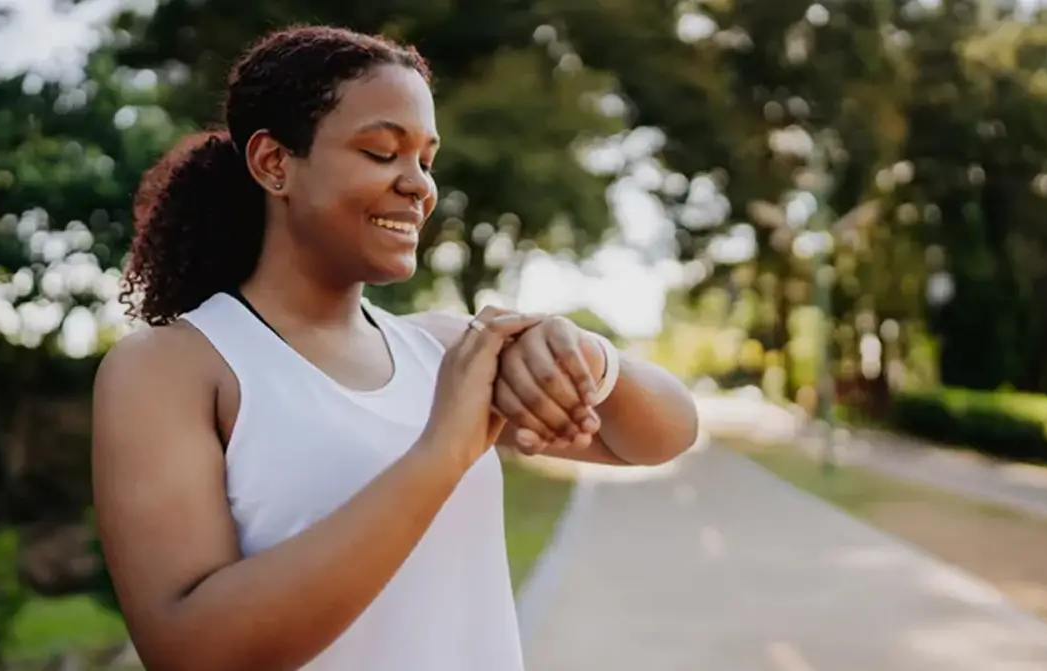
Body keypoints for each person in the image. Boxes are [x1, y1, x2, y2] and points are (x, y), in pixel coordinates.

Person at [91, 24, 699, 671]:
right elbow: (189, 651)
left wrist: (588, 358)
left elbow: (666, 433)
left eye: (426, 160)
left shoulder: (440, 348)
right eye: (383, 152)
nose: (419, 186)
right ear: (274, 163)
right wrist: (441, 453)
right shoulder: (172, 366)